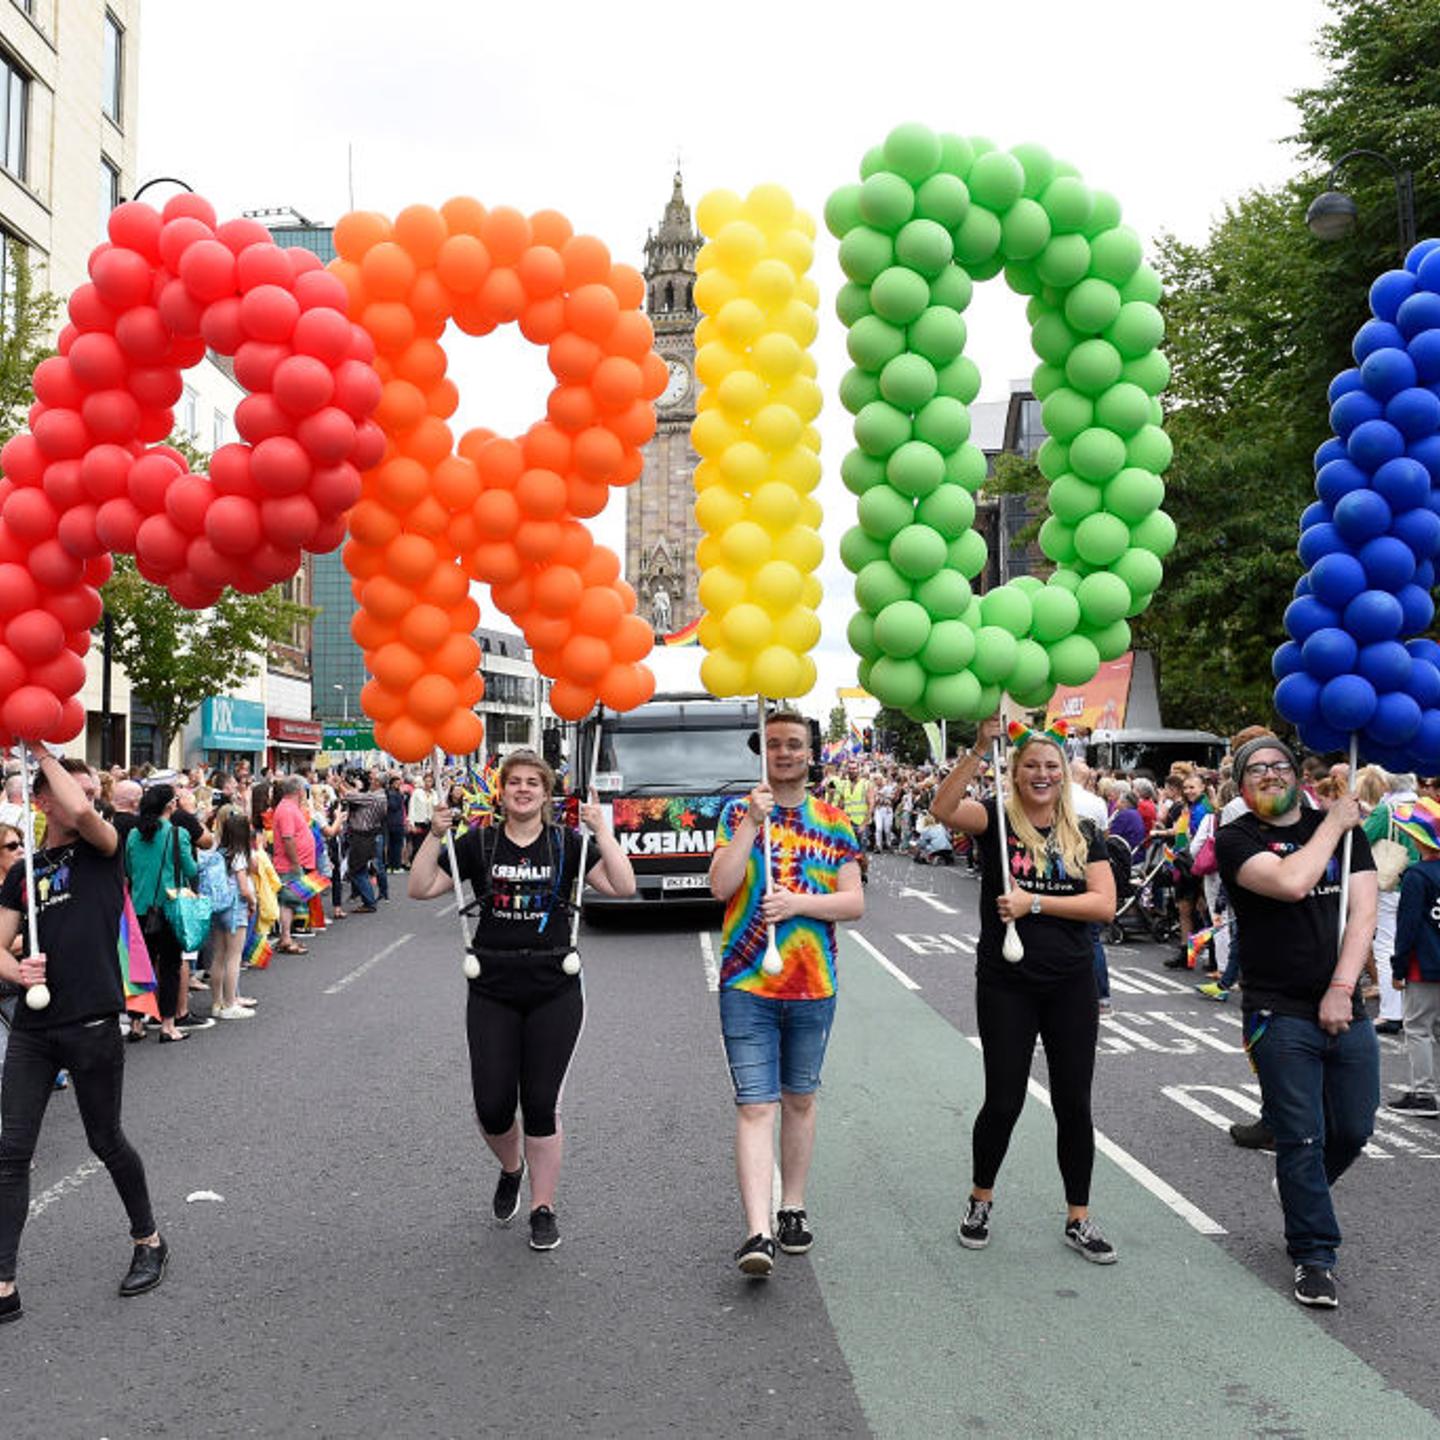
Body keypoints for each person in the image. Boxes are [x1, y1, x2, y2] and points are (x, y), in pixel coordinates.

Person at [409, 751, 634, 1253]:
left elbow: (623, 885)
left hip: (554, 985)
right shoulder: (479, 842)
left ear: (548, 793)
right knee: (492, 1107)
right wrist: (432, 834)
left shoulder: (569, 844)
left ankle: (542, 1207)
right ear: (501, 791)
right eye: (515, 782)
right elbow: (421, 888)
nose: (524, 790)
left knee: (539, 1103)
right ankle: (512, 1167)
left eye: (534, 782)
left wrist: (604, 833)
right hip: (491, 986)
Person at [931, 717, 1118, 1264]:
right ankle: (979, 1200)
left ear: (1064, 776)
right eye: (1031, 766)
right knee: (1005, 1098)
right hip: (1006, 982)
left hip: (1071, 983)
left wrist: (1036, 904)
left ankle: (1078, 1217)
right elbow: (943, 810)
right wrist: (975, 749)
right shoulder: (994, 820)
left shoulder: (1086, 834)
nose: (1041, 774)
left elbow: (1103, 906)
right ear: (1014, 774)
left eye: (1051, 767)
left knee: (1073, 1103)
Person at [0, 754, 168, 1324]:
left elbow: (77, 807)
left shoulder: (104, 848)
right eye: (74, 787)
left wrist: (39, 747)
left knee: (105, 1140)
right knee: (11, 1153)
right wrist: (15, 971)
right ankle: (4, 1281)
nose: (88, 796)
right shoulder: (23, 872)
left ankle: (148, 1240)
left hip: (92, 1019)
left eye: (91, 787)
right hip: (33, 1028)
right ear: (38, 802)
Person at [1216, 734, 1377, 1310]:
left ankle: (1297, 1184)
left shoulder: (1344, 831)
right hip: (1277, 1011)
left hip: (1343, 1006)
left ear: (1296, 772)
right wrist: (1332, 823)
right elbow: (1291, 882)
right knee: (1301, 1135)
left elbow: (1364, 912)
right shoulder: (1236, 838)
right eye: (1254, 770)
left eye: (1278, 765)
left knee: (1354, 1129)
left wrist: (1342, 988)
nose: (1268, 775)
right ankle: (1314, 1256)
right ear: (1240, 787)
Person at [709, 710, 863, 1278]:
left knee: (799, 1098)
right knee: (755, 1105)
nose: (784, 753)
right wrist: (751, 822)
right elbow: (719, 886)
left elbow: (854, 903)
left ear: (810, 753)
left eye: (794, 744)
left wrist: (798, 904)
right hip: (747, 982)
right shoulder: (737, 812)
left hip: (813, 984)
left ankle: (792, 1205)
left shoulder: (834, 820)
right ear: (762, 752)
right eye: (774, 744)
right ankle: (757, 1231)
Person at [124, 785, 198, 1044]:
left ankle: (136, 1022)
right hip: (169, 907)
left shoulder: (134, 835)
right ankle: (168, 1025)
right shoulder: (178, 834)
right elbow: (190, 869)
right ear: (170, 805)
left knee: (140, 967)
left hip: (139, 908)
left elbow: (129, 870)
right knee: (170, 967)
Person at [1384, 798, 1440, 1117]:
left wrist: (1398, 966)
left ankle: (1424, 1093)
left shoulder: (1418, 876)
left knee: (1418, 1028)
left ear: (1421, 840)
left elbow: (1407, 927)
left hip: (1425, 964)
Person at [208, 812, 258, 1020]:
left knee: (218, 955)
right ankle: (230, 1004)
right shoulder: (238, 855)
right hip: (235, 907)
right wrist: (253, 902)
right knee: (234, 956)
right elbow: (244, 889)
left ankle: (217, 1002)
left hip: (218, 906)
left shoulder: (218, 851)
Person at [271, 776, 316, 955]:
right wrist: (296, 863)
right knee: (288, 901)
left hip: (295, 862)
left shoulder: (289, 807)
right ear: (299, 791)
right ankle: (286, 938)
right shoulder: (287, 809)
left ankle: (286, 936)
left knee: (290, 901)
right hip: (290, 864)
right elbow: (287, 838)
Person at [408, 771, 438, 867]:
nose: (428, 783)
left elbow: (436, 807)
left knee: (429, 846)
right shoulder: (417, 792)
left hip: (430, 822)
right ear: (423, 781)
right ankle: (415, 864)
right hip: (419, 822)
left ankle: (426, 865)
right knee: (418, 845)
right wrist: (411, 824)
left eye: (430, 781)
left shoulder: (435, 793)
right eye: (427, 781)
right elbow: (411, 808)